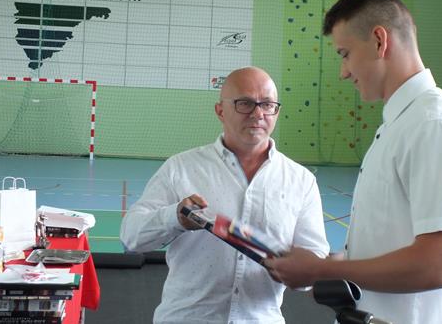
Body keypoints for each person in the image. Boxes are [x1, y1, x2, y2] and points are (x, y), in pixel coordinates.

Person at [265, 0, 442, 324]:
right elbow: (393, 241)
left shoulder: (435, 124)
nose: (343, 72)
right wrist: (335, 263)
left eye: (345, 54)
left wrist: (321, 269)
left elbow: (439, 264)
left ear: (380, 41)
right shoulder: (401, 124)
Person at [120, 66, 329, 324]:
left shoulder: (301, 181)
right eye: (245, 103)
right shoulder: (180, 168)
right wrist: (175, 218)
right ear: (220, 111)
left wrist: (299, 271)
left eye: (267, 105)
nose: (258, 114)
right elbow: (131, 237)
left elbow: (314, 262)